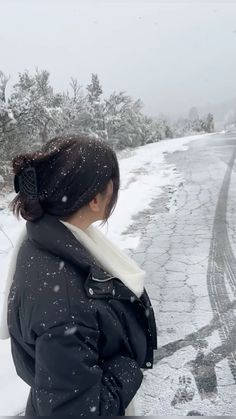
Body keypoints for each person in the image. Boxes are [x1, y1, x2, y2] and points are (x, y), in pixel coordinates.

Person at [0, 134, 157, 416]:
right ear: (96, 200)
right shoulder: (67, 302)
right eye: (114, 185)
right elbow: (77, 411)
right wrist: (129, 364)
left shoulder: (41, 238)